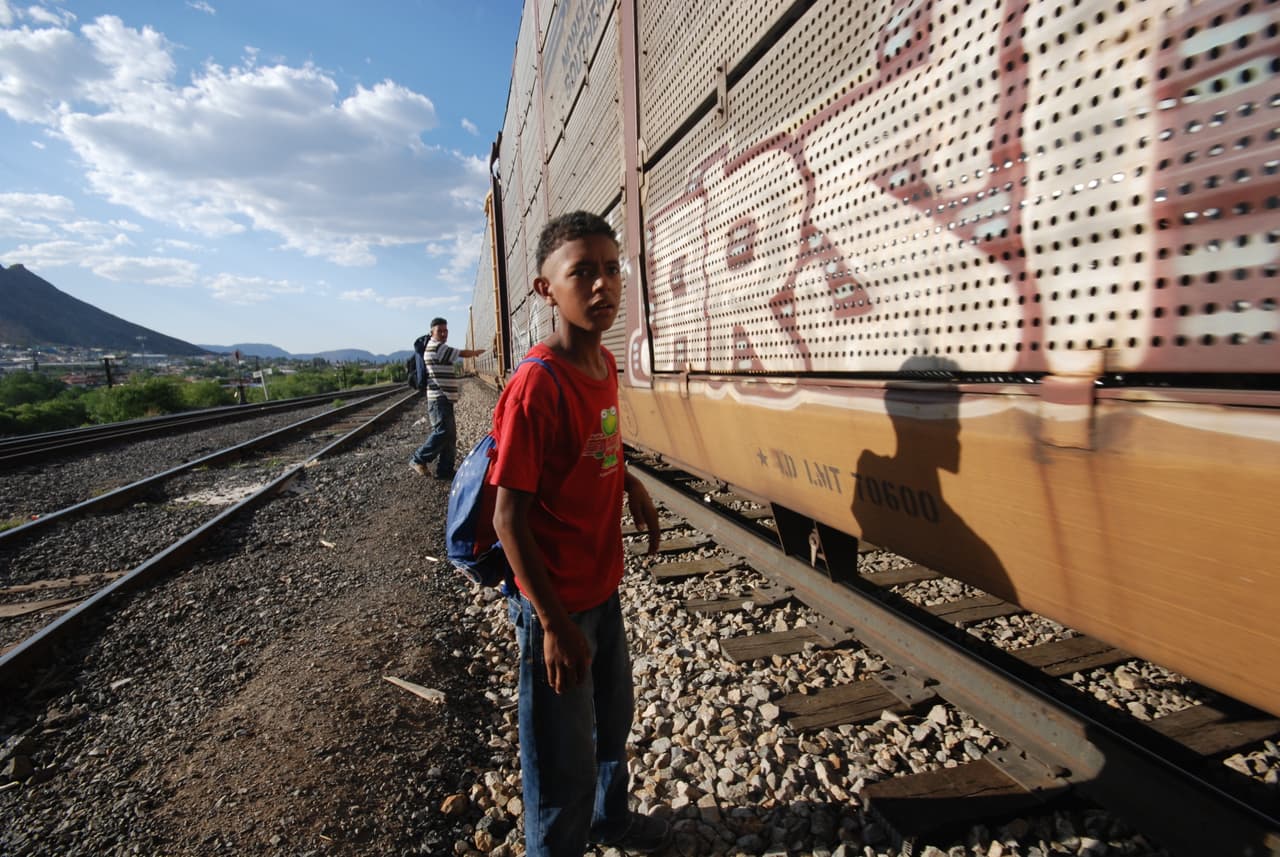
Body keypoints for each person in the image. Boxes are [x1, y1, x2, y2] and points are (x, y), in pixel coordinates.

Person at [490, 211, 670, 856]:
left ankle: (609, 822)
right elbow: (508, 517)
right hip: (556, 603)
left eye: (612, 269)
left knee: (611, 724)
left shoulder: (604, 363)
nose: (603, 285)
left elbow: (594, 445)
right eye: (583, 272)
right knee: (560, 757)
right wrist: (553, 624)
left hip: (602, 587)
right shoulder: (537, 385)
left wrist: (629, 482)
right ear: (546, 289)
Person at [408, 317, 485, 479]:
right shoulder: (437, 347)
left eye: (445, 331)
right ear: (432, 333)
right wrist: (476, 352)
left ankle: (445, 470)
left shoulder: (436, 346)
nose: (444, 334)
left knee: (450, 436)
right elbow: (461, 353)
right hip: (439, 399)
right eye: (440, 331)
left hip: (444, 398)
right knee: (443, 432)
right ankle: (418, 459)